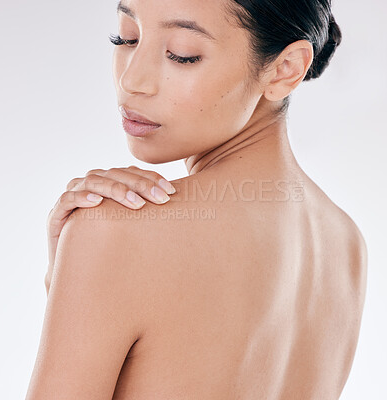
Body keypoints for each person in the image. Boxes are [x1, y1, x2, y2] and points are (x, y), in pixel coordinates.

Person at [26, 0, 368, 399]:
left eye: (181, 55)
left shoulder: (117, 232)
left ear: (284, 68)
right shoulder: (346, 243)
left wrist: (87, 254)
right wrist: (68, 274)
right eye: (127, 37)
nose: (133, 80)